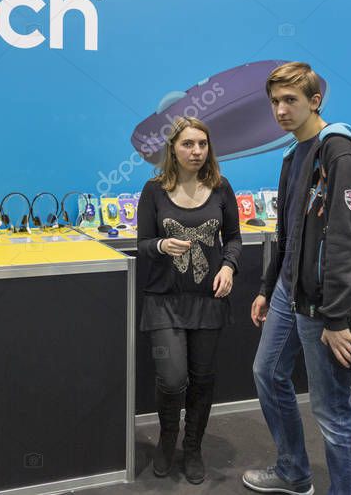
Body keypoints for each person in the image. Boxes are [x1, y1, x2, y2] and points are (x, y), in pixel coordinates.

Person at [242, 62, 351, 495]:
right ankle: (293, 472)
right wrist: (268, 288)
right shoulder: (293, 154)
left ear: (315, 101)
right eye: (275, 101)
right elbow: (288, 232)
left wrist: (336, 318)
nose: (281, 110)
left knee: (332, 410)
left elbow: (349, 241)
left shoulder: (339, 151)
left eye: (290, 100)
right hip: (287, 290)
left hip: (322, 302)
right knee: (267, 373)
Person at [136, 116, 243, 484]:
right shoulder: (154, 190)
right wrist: (161, 245)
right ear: (173, 149)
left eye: (202, 144)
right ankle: (168, 439)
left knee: (202, 378)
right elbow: (142, 244)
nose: (196, 151)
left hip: (208, 300)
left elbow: (233, 238)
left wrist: (228, 266)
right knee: (171, 379)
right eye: (188, 144)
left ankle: (193, 446)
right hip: (164, 300)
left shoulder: (221, 188)